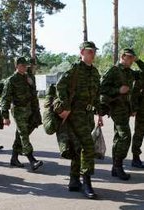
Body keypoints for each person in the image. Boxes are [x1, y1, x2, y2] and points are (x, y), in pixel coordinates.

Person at [55, 41, 103, 199]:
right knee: (88, 146)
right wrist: (67, 106)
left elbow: (96, 94)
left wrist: (99, 114)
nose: (93, 54)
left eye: (94, 51)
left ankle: (74, 181)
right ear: (82, 52)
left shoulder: (95, 72)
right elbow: (60, 86)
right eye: (89, 51)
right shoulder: (74, 69)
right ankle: (87, 182)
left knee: (78, 147)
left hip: (88, 115)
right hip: (76, 114)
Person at [100, 48, 144, 180]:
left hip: (125, 108)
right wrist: (118, 90)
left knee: (118, 138)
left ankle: (115, 167)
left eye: (132, 58)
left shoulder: (130, 72)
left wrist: (138, 61)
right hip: (116, 107)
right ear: (123, 56)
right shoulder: (113, 70)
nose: (131, 61)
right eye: (130, 58)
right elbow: (101, 88)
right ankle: (118, 166)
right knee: (125, 136)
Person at [0, 56, 43, 171]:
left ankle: (14, 158)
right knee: (23, 134)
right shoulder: (11, 80)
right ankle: (32, 160)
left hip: (29, 109)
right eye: (22, 65)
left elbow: (34, 95)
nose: (24, 67)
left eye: (25, 66)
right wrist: (5, 116)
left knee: (21, 134)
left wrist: (31, 84)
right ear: (16, 66)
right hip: (18, 110)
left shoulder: (30, 77)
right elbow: (5, 99)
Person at [131, 60, 144, 168]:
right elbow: (135, 93)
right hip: (142, 110)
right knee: (139, 134)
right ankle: (136, 158)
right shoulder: (141, 76)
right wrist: (134, 108)